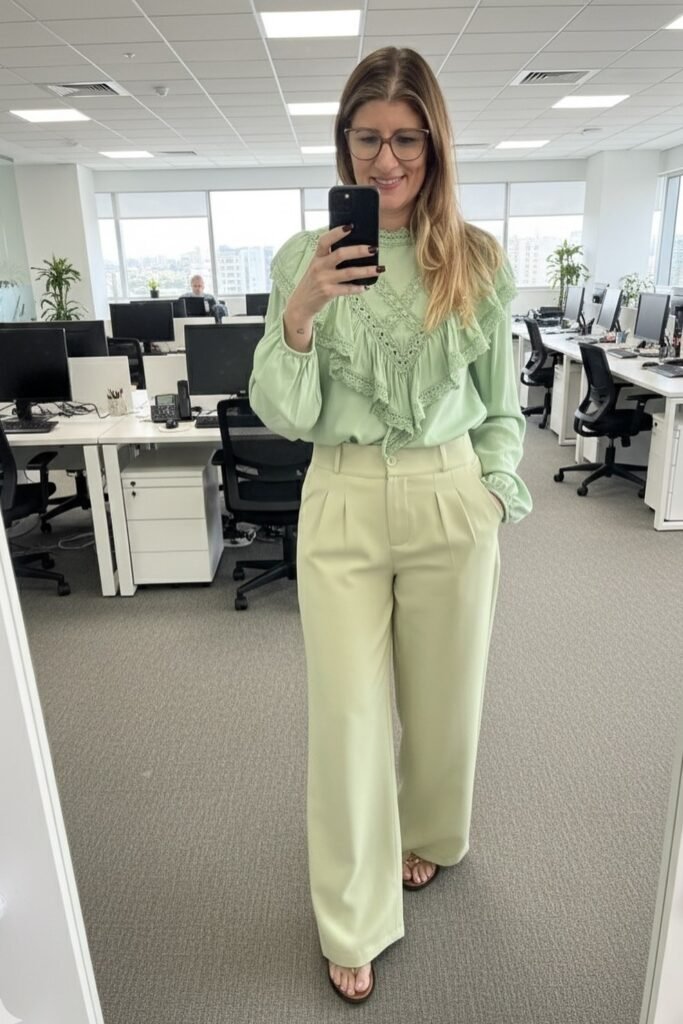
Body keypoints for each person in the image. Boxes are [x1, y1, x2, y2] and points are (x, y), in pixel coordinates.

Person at [249, 47, 532, 1005]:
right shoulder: (303, 257)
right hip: (341, 498)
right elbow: (285, 413)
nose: (385, 160)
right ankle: (353, 916)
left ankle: (429, 833)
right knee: (347, 718)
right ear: (343, 143)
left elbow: (502, 407)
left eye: (405, 138)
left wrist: (492, 489)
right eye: (366, 138)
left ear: (434, 143)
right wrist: (299, 315)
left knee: (446, 700)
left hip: (450, 496)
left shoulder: (478, 260)